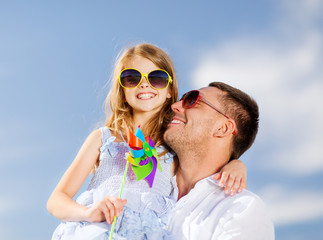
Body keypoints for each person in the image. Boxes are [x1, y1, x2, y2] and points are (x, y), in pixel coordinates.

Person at [47, 44, 247, 240]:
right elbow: (56, 200)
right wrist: (89, 213)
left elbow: (203, 169)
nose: (144, 84)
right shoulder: (103, 138)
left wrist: (236, 164)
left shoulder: (173, 148)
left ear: (169, 90)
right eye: (132, 78)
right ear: (122, 91)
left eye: (157, 78)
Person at [164, 82, 275, 239]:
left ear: (223, 128)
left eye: (192, 100)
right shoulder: (145, 184)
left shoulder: (241, 209)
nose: (175, 106)